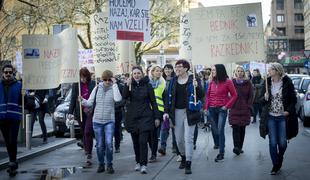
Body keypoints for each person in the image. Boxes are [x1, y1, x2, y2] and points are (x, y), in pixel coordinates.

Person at [163, 59, 203, 174]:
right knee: (179, 139)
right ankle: (183, 156)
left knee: (188, 138)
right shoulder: (173, 81)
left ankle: (189, 162)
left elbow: (201, 95)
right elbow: (167, 98)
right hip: (176, 112)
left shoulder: (193, 80)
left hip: (190, 112)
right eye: (176, 67)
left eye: (179, 66)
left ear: (186, 68)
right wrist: (166, 111)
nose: (177, 69)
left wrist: (197, 87)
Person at [80, 70, 122, 174]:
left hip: (109, 121)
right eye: (105, 79)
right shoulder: (97, 87)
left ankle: (109, 164)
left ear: (112, 79)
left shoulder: (114, 87)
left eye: (109, 79)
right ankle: (101, 164)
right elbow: (89, 103)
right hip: (97, 121)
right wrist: (82, 100)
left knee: (109, 144)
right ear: (102, 79)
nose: (107, 81)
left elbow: (118, 99)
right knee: (99, 145)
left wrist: (115, 84)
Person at [259, 63, 298, 175]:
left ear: (277, 71)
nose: (269, 71)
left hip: (282, 117)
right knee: (272, 142)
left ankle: (279, 157)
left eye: (271, 69)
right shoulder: (267, 83)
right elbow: (260, 100)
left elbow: (293, 100)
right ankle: (275, 165)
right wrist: (265, 97)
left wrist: (288, 111)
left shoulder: (287, 82)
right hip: (270, 116)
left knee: (282, 143)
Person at [123, 66, 161, 174]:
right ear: (132, 75)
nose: (136, 75)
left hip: (146, 117)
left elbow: (153, 102)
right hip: (132, 117)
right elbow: (124, 97)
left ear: (142, 74)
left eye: (138, 73)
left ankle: (144, 164)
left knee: (143, 141)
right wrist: (127, 85)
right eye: (134, 73)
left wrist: (157, 117)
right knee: (136, 142)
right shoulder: (129, 85)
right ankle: (138, 162)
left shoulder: (148, 86)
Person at [204, 64, 237, 162]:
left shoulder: (228, 82)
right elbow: (207, 96)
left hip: (222, 109)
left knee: (220, 129)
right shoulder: (211, 82)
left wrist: (226, 106)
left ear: (220, 70)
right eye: (212, 70)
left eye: (214, 70)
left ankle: (221, 153)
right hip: (211, 109)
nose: (212, 72)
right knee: (215, 130)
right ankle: (219, 144)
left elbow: (235, 95)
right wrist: (205, 108)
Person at [68, 67, 96, 165]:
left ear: (87, 76)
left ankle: (89, 153)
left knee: (88, 131)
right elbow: (72, 98)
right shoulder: (76, 85)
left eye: (84, 77)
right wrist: (70, 112)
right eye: (81, 77)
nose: (83, 79)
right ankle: (86, 146)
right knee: (83, 131)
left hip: (90, 111)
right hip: (79, 111)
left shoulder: (92, 83)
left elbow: (95, 98)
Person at [0, 64, 22, 177]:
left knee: (12, 140)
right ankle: (12, 161)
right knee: (7, 141)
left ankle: (12, 162)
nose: (8, 74)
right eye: (6, 72)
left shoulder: (19, 85)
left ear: (13, 73)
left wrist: (26, 97)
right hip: (2, 117)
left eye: (10, 72)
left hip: (14, 117)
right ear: (3, 73)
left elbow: (25, 101)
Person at [229, 66, 253, 155]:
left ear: (244, 73)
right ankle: (236, 147)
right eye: (238, 71)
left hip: (244, 109)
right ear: (235, 72)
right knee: (235, 127)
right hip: (234, 108)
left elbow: (251, 95)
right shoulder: (232, 82)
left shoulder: (248, 83)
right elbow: (228, 94)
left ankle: (240, 147)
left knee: (242, 129)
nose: (239, 72)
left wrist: (248, 105)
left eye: (241, 71)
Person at [158, 64, 178, 156]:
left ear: (172, 70)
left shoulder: (175, 80)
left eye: (169, 69)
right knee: (164, 128)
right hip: (163, 107)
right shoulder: (161, 81)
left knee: (174, 127)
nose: (167, 70)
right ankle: (163, 147)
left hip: (173, 106)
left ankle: (174, 146)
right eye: (166, 69)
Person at [147, 64, 165, 162]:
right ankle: (153, 151)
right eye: (156, 70)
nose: (158, 72)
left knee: (154, 133)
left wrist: (165, 111)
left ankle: (153, 154)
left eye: (160, 71)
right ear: (152, 72)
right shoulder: (147, 83)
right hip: (148, 111)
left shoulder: (163, 83)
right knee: (150, 134)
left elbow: (165, 98)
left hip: (159, 111)